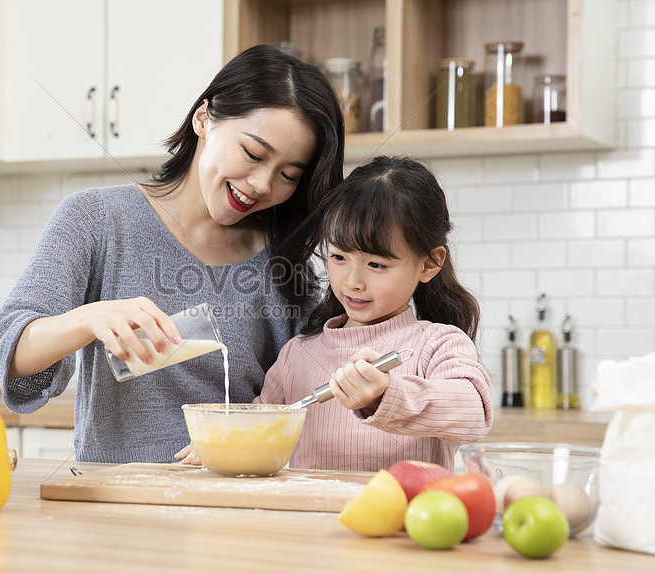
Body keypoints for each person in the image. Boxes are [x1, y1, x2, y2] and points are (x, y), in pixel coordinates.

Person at [0, 44, 346, 463]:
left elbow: (301, 398)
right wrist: (91, 318)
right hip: (116, 502)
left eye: (288, 175)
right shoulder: (96, 219)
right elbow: (12, 356)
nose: (263, 184)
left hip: (234, 502)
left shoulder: (283, 263)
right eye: (252, 154)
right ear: (203, 118)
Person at [178, 155, 493, 472]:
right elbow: (261, 424)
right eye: (339, 257)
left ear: (428, 264)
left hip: (405, 519)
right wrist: (226, 439)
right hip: (310, 520)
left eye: (376, 265)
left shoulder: (438, 344)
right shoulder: (298, 354)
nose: (353, 282)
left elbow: (474, 411)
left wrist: (388, 395)